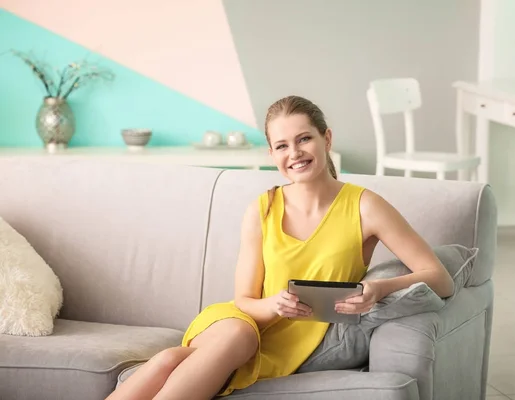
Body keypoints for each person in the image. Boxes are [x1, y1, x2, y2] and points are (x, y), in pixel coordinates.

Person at [106, 95, 454, 400]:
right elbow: (242, 301)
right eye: (283, 145)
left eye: (304, 139)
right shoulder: (262, 208)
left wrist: (378, 289)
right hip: (238, 323)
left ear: (326, 138)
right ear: (272, 153)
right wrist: (273, 305)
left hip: (291, 344)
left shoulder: (366, 207)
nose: (295, 153)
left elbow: (440, 278)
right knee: (238, 334)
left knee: (170, 360)